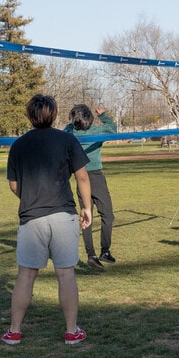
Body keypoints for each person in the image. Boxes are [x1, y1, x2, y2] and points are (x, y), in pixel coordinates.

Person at [2, 94, 93, 345]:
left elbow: (13, 185)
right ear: (53, 115)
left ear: (29, 115)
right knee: (66, 275)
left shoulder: (18, 145)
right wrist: (87, 208)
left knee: (25, 276)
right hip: (63, 215)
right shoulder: (67, 139)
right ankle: (72, 331)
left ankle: (15, 331)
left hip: (32, 218)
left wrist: (30, 195)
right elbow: (83, 178)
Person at [64, 104, 117, 271]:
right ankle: (104, 251)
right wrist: (103, 115)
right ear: (89, 118)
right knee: (107, 215)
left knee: (87, 217)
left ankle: (92, 255)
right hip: (94, 176)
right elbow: (112, 129)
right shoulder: (95, 131)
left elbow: (63, 132)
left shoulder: (69, 132)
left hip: (80, 178)